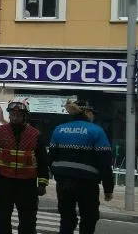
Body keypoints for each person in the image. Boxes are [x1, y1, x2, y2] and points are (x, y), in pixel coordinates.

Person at [0, 100, 49, 234]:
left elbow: (43, 161)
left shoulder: (35, 134)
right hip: (4, 183)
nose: (15, 117)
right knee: (2, 219)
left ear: (25, 116)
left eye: (18, 115)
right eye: (12, 114)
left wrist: (42, 183)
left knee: (28, 221)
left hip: (28, 185)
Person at [48, 99, 115, 234]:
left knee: (66, 219)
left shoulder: (59, 129)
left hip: (63, 183)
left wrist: (58, 175)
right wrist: (108, 188)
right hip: (87, 184)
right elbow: (104, 162)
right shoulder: (96, 131)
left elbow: (51, 157)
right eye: (92, 112)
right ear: (86, 112)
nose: (93, 116)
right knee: (89, 218)